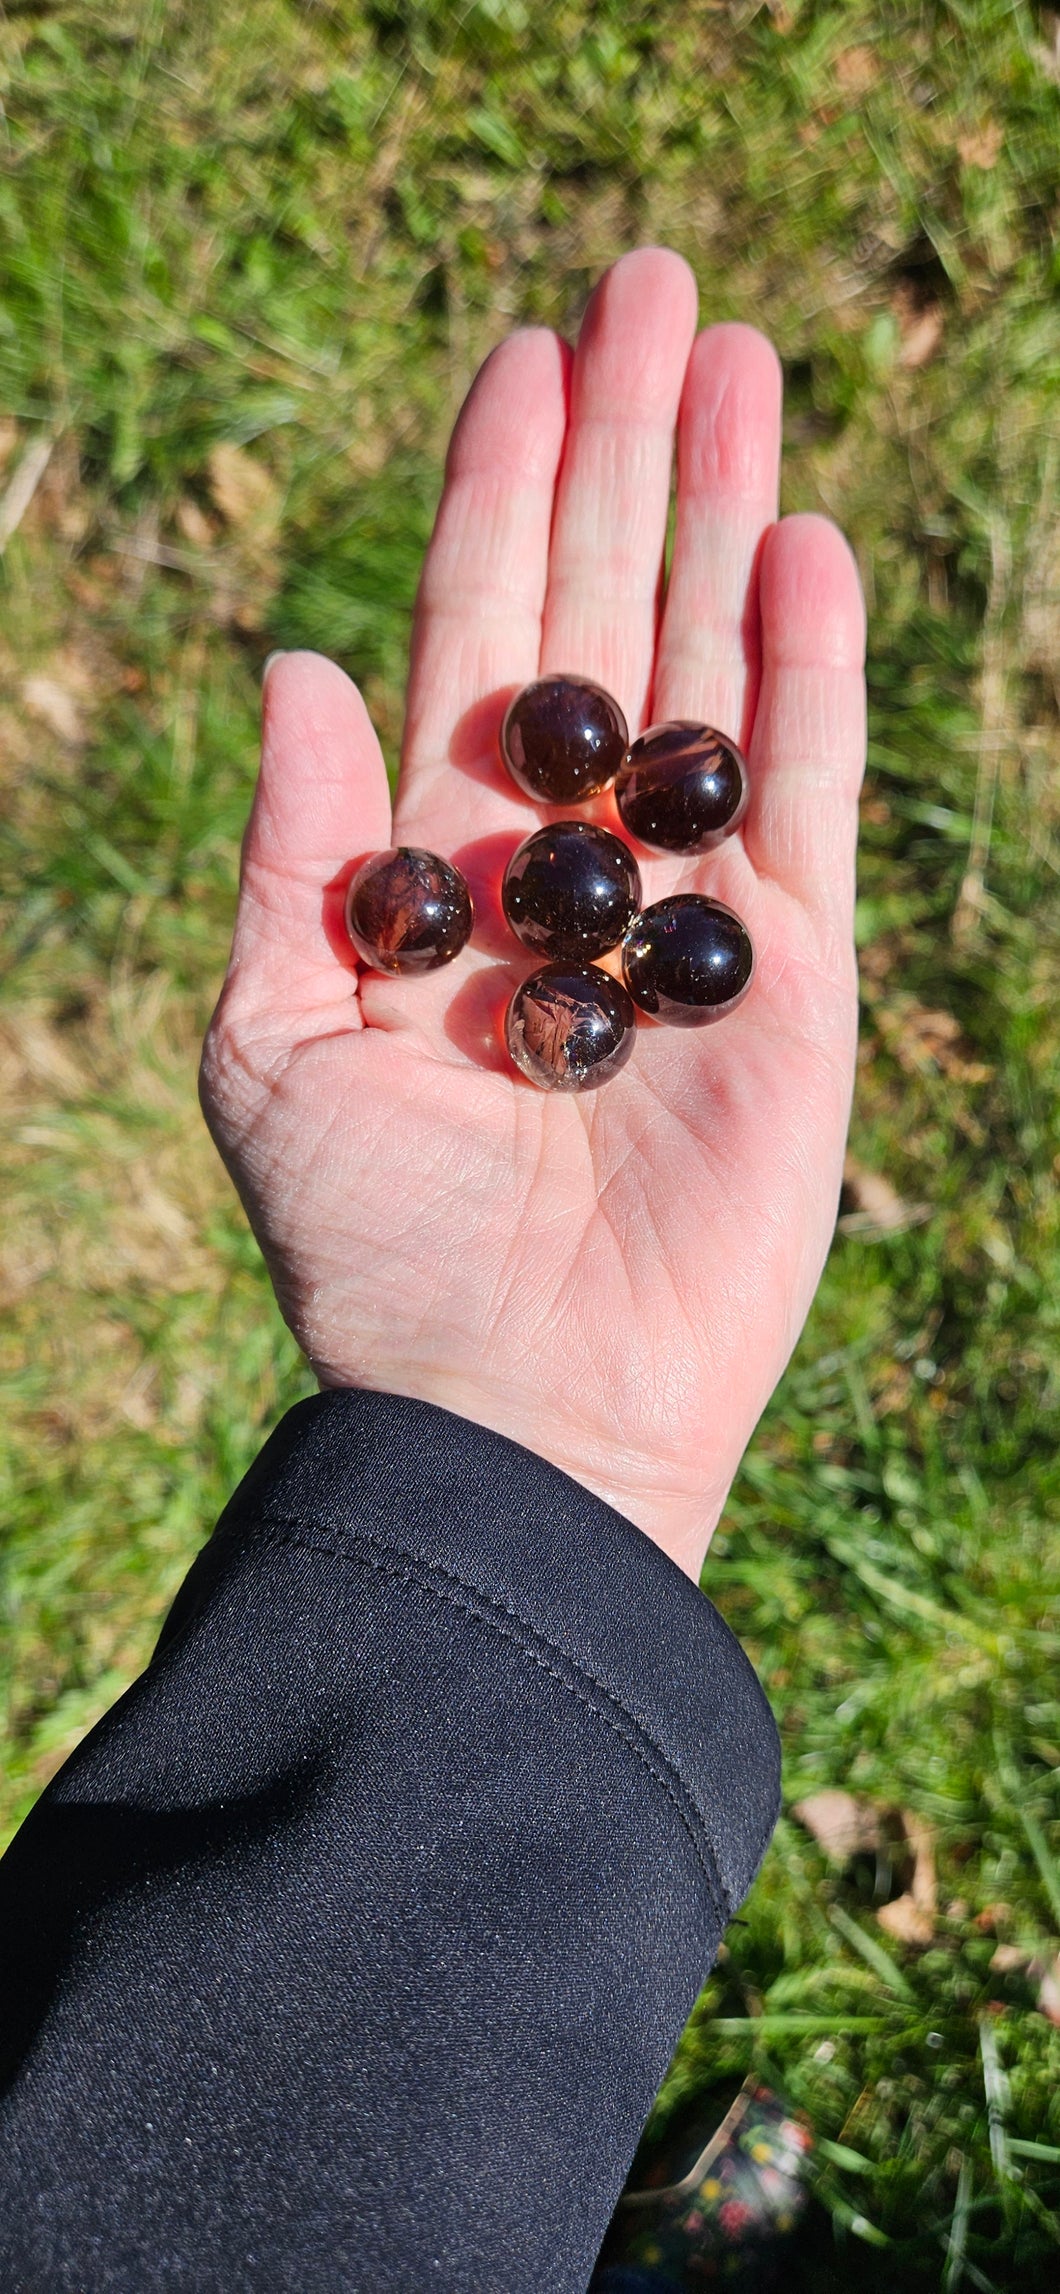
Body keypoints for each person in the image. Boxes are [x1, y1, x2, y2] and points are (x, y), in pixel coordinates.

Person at [0, 248, 866, 2291]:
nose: (607, 834)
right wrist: (530, 1457)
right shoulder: (552, 915)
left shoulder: (598, 905)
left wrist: (512, 1452)